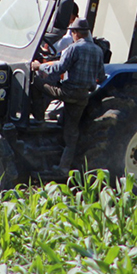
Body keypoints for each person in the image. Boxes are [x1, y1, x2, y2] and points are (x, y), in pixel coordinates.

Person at [30, 18, 105, 174]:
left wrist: (40, 66)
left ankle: (38, 119)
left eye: (72, 33)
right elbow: (101, 75)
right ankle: (63, 167)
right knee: (71, 132)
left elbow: (59, 68)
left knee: (36, 83)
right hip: (83, 96)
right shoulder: (98, 51)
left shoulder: (73, 49)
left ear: (76, 33)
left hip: (67, 93)